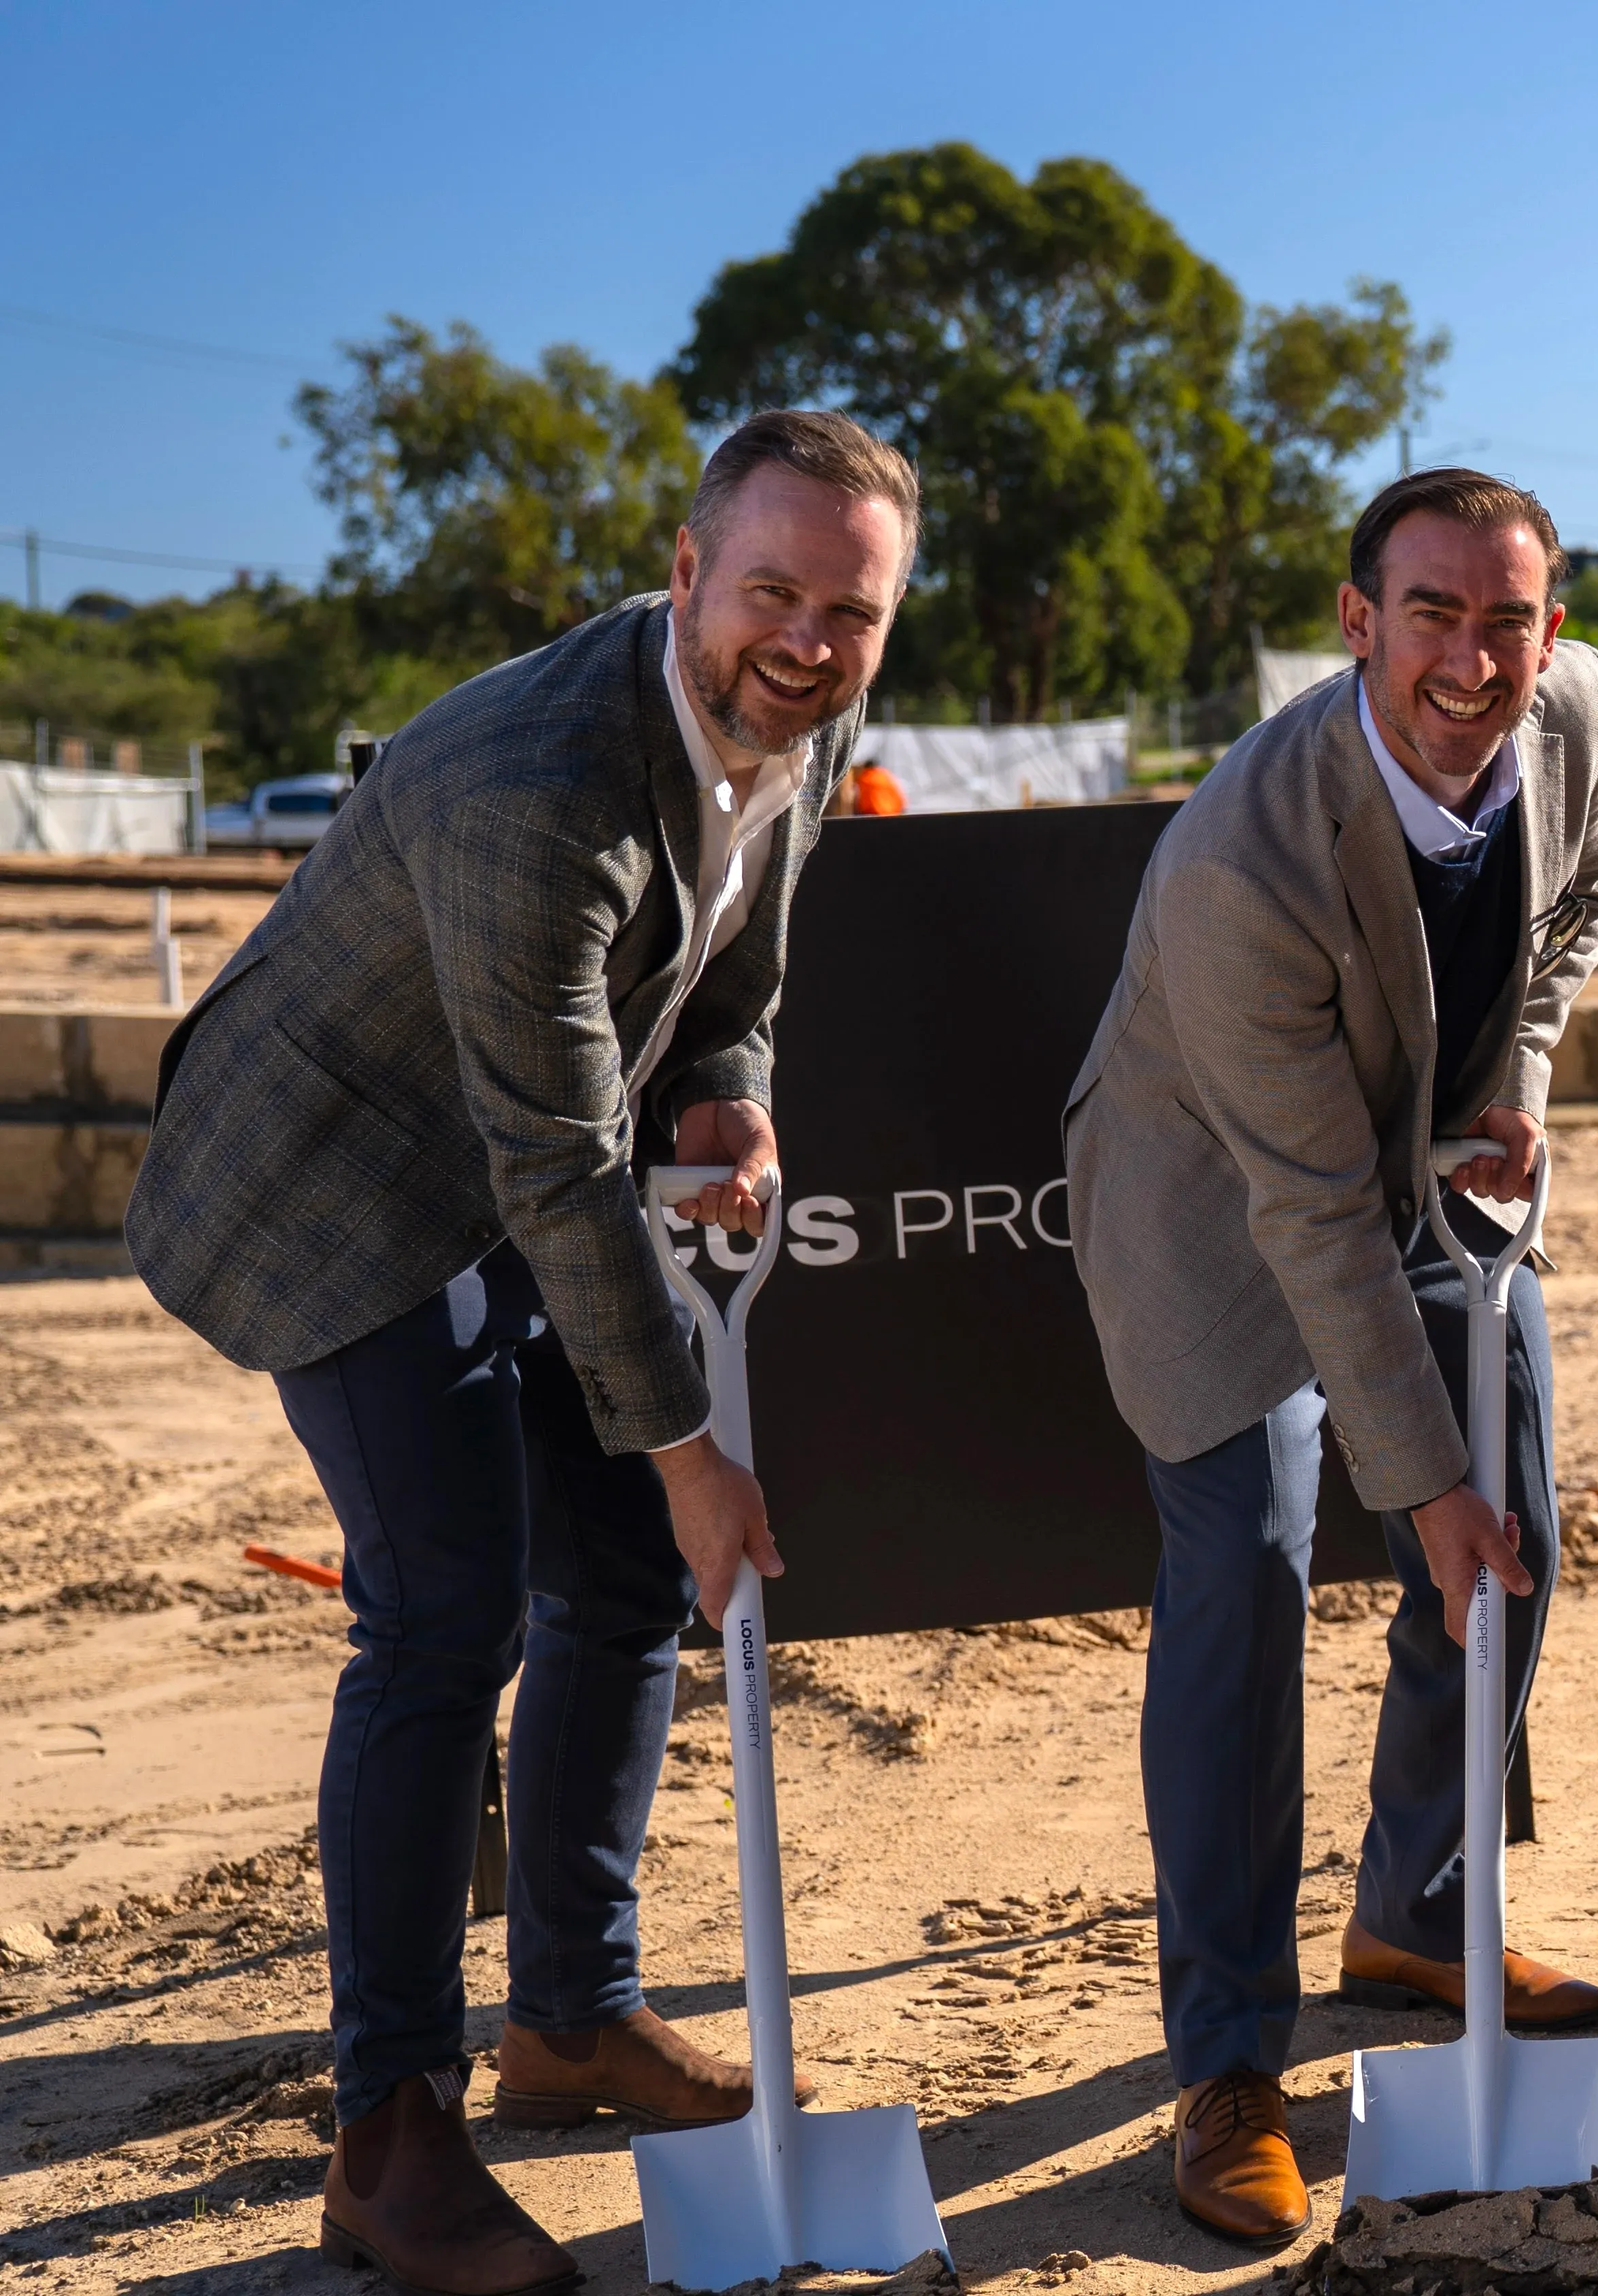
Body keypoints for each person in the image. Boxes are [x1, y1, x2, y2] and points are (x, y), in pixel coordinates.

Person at [126, 409, 917, 2293]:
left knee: (621, 1567)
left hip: (516, 1159)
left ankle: (569, 2011)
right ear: (686, 572)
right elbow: (557, 1165)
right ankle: (388, 2131)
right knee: (444, 1606)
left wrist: (729, 1090)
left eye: (853, 611)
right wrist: (695, 1453)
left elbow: (736, 971)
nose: (810, 640)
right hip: (332, 1175)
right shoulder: (532, 784)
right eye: (773, 593)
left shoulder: (809, 715)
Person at [1062, 467, 1598, 2244]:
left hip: (1429, 1146)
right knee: (1250, 1563)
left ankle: (1417, 1908)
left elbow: (1585, 889)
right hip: (1218, 1205)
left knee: (1515, 1536)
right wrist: (1424, 1483)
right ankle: (1229, 2064)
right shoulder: (1244, 856)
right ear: (1358, 620)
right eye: (1432, 614)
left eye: (1508, 618)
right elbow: (1313, 1222)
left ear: (1549, 625)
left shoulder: (1581, 708)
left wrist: (1517, 1071)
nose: (1473, 658)